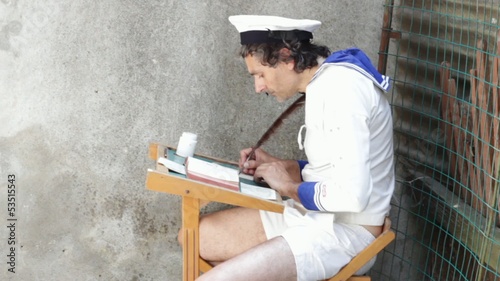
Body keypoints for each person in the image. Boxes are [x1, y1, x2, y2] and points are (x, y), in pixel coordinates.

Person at [180, 15, 395, 281]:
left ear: (286, 57)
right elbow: (333, 167)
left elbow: (351, 195)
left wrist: (287, 186)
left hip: (345, 232)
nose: (258, 87)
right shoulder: (325, 84)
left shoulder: (343, 91)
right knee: (195, 238)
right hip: (314, 215)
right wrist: (285, 167)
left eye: (260, 74)